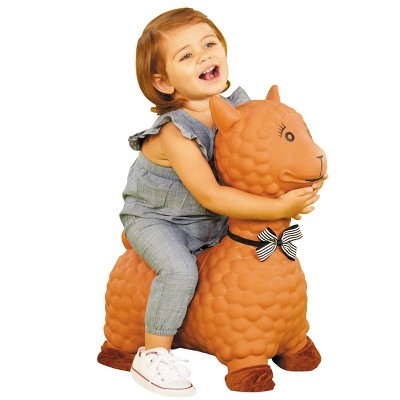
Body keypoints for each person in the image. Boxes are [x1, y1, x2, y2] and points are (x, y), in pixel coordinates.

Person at [120, 7, 325, 397]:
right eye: (186, 55)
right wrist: (278, 208)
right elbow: (211, 194)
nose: (203, 56)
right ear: (163, 82)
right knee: (180, 271)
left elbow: (261, 158)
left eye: (209, 44)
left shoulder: (239, 109)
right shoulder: (175, 134)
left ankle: (281, 334)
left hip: (211, 219)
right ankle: (153, 354)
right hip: (161, 220)